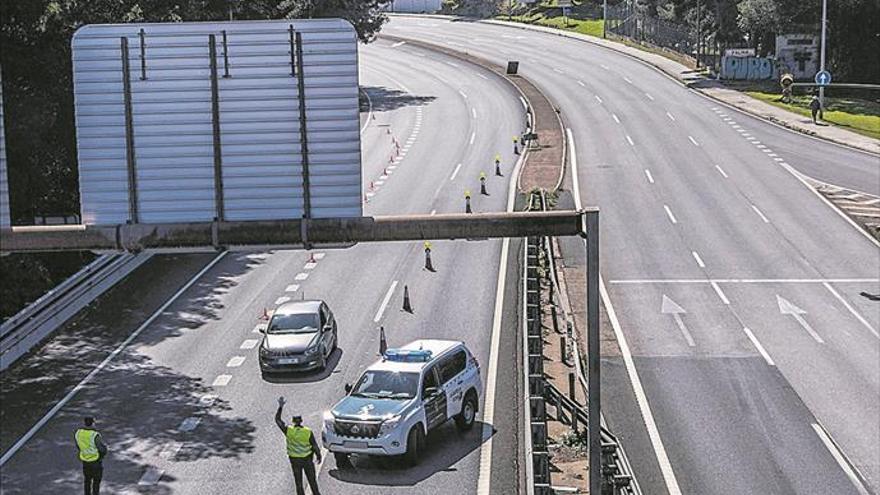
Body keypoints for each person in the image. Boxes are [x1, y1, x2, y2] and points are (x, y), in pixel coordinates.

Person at [275, 397, 322, 495]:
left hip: (295, 460)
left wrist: (280, 407)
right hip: (307, 460)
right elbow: (314, 445)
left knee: (298, 483)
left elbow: (278, 420)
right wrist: (319, 455)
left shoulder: (289, 430)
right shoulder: (307, 431)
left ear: (293, 421)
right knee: (312, 481)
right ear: (301, 421)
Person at [75, 416, 108, 495]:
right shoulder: (94, 435)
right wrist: (104, 452)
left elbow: (78, 446)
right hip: (95, 461)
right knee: (96, 481)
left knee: (87, 480)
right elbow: (101, 448)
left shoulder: (78, 433)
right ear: (93, 423)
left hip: (85, 460)